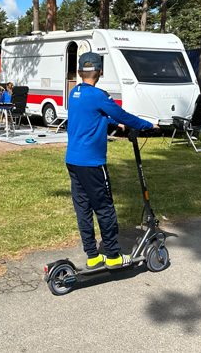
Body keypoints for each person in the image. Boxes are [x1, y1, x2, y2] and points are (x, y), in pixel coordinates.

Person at [66, 52, 157, 270]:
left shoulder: (74, 93)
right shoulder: (99, 96)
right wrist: (148, 125)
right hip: (92, 163)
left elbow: (89, 117)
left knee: (83, 209)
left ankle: (92, 255)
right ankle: (114, 255)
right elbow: (123, 115)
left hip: (73, 161)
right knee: (105, 207)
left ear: (79, 72)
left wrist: (110, 122)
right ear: (100, 72)